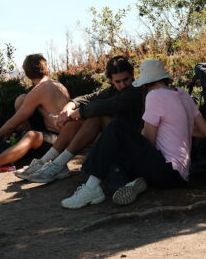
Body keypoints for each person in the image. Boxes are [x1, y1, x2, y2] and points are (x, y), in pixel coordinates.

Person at [60, 57, 206, 210]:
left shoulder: (154, 96)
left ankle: (92, 187)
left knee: (116, 128)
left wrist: (131, 141)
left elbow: (149, 141)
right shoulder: (182, 94)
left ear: (146, 83)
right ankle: (123, 184)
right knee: (113, 152)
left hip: (166, 169)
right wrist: (177, 130)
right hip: (181, 174)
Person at [19, 55, 144, 184]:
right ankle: (48, 161)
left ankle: (57, 164)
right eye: (118, 81)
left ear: (133, 74)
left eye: (126, 79)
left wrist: (76, 113)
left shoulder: (135, 90)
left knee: (96, 116)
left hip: (134, 143)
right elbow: (89, 97)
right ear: (111, 80)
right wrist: (69, 107)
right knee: (78, 119)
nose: (123, 84)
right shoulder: (112, 90)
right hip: (118, 139)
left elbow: (105, 106)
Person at [0, 54, 70, 174]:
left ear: (27, 72)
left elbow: (15, 121)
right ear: (45, 68)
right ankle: (22, 143)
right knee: (21, 99)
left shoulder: (38, 90)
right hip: (63, 135)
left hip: (60, 141)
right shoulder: (59, 85)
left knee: (31, 136)